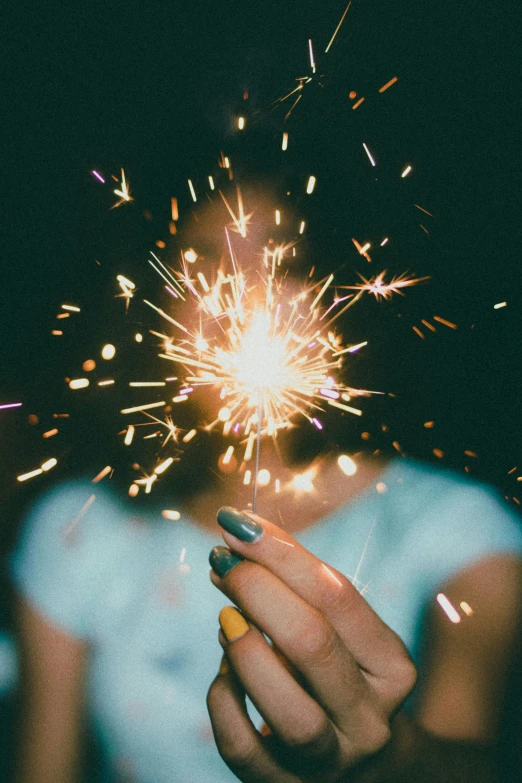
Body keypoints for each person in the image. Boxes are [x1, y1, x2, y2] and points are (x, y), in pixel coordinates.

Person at [9, 437, 522, 783]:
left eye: (288, 269)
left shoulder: (454, 526)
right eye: (210, 268)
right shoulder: (82, 526)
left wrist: (387, 760)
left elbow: (478, 763)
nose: (250, 290)